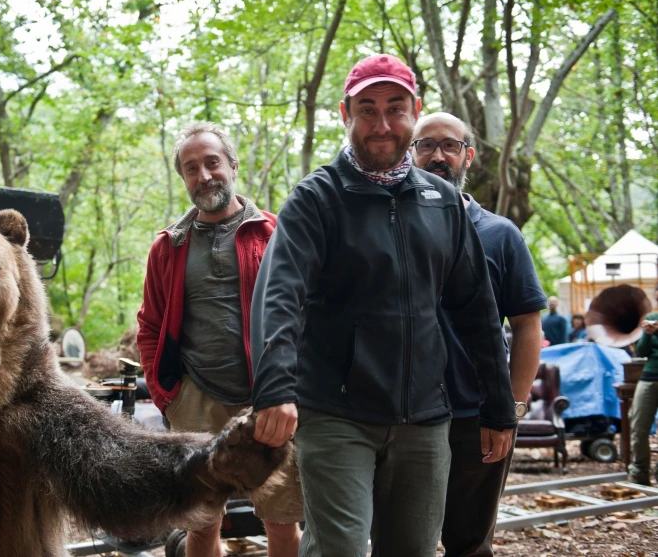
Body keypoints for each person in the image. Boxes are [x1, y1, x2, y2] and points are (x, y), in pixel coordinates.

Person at [249, 54, 516, 557]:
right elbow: (281, 296)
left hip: (425, 418)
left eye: (395, 109)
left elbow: (477, 308)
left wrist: (499, 404)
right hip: (336, 410)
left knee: (414, 548)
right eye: (366, 109)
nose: (382, 124)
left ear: (415, 112)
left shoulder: (441, 201)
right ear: (345, 113)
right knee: (342, 548)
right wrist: (275, 388)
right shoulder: (317, 199)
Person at [136, 122, 303, 557]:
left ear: (232, 164)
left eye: (212, 162)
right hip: (195, 398)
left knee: (281, 521)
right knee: (200, 523)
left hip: (269, 397)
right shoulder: (168, 247)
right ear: (184, 179)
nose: (204, 175)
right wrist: (167, 395)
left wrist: (292, 387)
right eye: (191, 168)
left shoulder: (275, 233)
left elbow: (306, 313)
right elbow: (150, 326)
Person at [411, 112, 547, 557]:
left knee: (468, 543)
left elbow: (527, 326)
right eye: (425, 145)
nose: (437, 155)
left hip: (477, 416)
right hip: (401, 413)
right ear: (409, 155)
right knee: (400, 538)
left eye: (449, 146)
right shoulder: (390, 230)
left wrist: (513, 403)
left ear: (468, 156)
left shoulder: (500, 234)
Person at [629, 287, 658, 485]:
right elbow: (641, 351)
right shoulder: (652, 317)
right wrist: (647, 334)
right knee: (638, 426)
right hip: (649, 376)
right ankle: (639, 475)